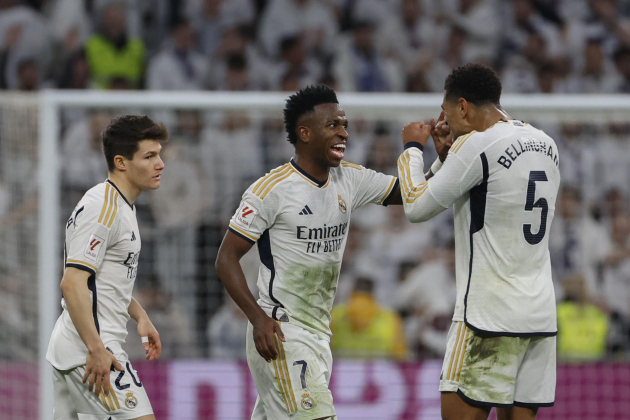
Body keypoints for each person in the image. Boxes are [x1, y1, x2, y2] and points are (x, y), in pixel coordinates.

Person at [215, 84, 401, 419]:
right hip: (282, 332)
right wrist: (257, 318)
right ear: (304, 133)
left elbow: (411, 194)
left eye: (344, 124)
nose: (343, 132)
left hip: (317, 334)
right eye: (333, 125)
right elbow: (225, 258)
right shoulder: (271, 190)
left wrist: (436, 155)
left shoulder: (350, 179)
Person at [398, 64, 560, 419]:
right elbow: (491, 188)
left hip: (487, 316)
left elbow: (416, 206)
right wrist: (446, 158)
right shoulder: (546, 143)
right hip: (539, 315)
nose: (447, 124)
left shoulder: (476, 144)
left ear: (463, 107)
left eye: (447, 112)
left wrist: (412, 147)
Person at [46, 115, 168, 420]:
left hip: (78, 347)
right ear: (121, 162)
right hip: (92, 350)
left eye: (159, 154)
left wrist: (140, 316)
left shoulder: (121, 205)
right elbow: (72, 283)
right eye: (149, 156)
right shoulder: (104, 208)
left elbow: (101, 281)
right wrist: (96, 348)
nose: (161, 163)